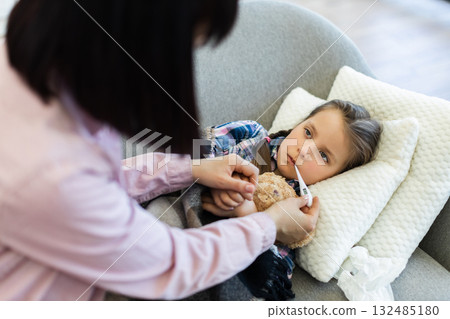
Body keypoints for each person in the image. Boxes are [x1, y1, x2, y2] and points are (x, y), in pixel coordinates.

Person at [0, 0, 319, 300]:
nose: (305, 150)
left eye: (324, 155)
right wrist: (269, 224)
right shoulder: (51, 174)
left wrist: (191, 170)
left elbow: (101, 182)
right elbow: (172, 262)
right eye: (186, 51)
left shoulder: (57, 78)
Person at [201, 99, 382, 295]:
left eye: (323, 155)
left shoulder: (296, 210)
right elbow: (186, 151)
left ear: (336, 176)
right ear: (299, 123)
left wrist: (249, 213)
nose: (303, 151)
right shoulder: (251, 135)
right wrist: (218, 176)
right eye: (308, 132)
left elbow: (273, 278)